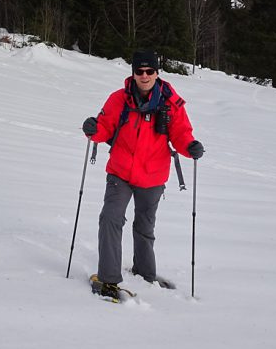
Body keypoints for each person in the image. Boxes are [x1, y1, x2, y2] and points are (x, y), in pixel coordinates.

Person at [81, 50, 204, 299]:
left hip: (153, 175)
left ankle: (145, 273)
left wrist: (190, 147)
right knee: (110, 219)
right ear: (133, 73)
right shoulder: (118, 99)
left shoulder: (171, 103)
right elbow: (104, 127)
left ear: (157, 73)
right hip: (121, 172)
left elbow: (181, 133)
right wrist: (93, 130)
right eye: (140, 71)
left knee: (145, 227)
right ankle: (108, 279)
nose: (145, 76)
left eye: (149, 71)